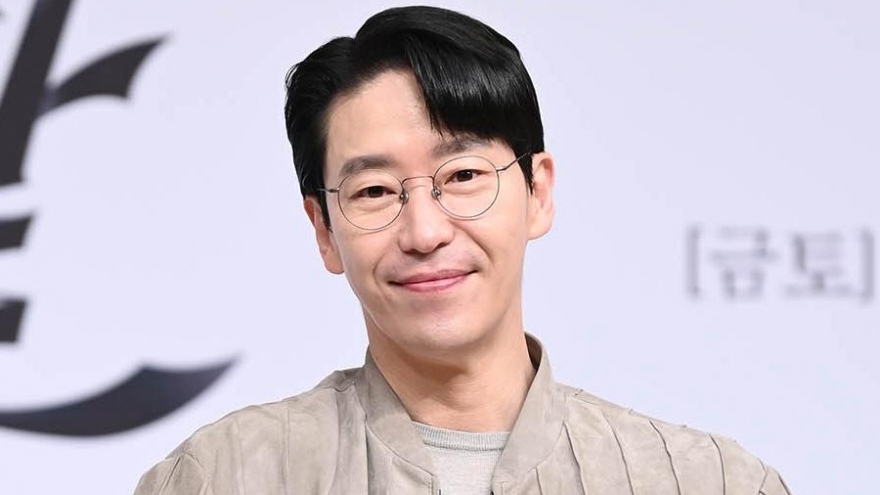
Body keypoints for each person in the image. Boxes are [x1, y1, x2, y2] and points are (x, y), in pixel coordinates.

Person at [134, 6, 791, 494]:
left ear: (537, 192)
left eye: (463, 176)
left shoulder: (706, 481)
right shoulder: (225, 476)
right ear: (324, 229)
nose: (425, 231)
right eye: (374, 190)